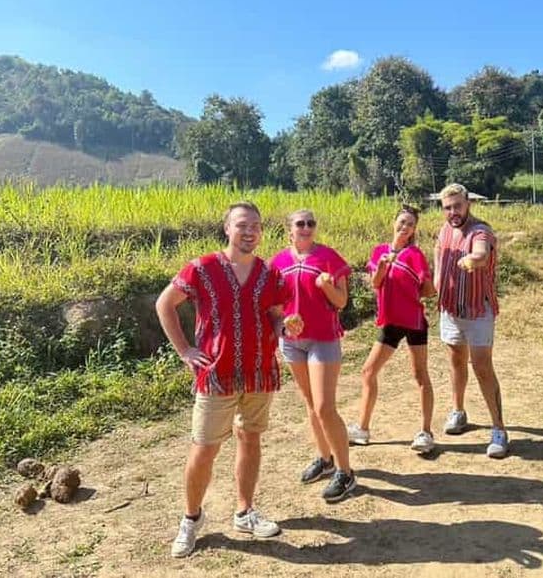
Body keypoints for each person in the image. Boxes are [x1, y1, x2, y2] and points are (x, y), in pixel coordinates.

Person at [156, 201, 302, 558]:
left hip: (258, 373)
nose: (249, 231)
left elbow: (274, 316)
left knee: (250, 439)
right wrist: (185, 350)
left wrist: (286, 326)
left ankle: (245, 511)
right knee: (204, 448)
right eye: (242, 225)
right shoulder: (202, 268)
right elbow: (165, 303)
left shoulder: (269, 275)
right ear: (227, 229)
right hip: (216, 375)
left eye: (255, 225)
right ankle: (191, 519)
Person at [269, 209, 357, 502]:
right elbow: (274, 306)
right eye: (300, 224)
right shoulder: (278, 263)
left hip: (323, 340)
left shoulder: (330, 257)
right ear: (289, 230)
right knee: (310, 404)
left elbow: (341, 302)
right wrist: (283, 323)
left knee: (324, 407)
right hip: (292, 342)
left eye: (311, 223)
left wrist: (327, 285)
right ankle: (325, 457)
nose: (306, 228)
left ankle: (345, 472)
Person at [347, 205, 438, 454]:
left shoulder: (415, 255)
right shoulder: (379, 252)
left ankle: (425, 432)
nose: (405, 227)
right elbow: (376, 284)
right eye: (402, 221)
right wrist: (382, 269)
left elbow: (429, 291)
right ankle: (362, 429)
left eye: (410, 224)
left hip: (414, 321)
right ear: (393, 222)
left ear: (414, 230)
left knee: (420, 374)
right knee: (368, 371)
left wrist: (426, 283)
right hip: (390, 322)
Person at [434, 183, 510, 458]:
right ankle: (458, 411)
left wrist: (472, 260)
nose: (453, 212)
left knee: (482, 366)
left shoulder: (480, 230)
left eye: (457, 205)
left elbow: (481, 253)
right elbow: (438, 253)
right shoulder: (445, 230)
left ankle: (499, 428)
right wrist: (435, 280)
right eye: (447, 207)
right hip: (451, 308)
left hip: (478, 309)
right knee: (455, 360)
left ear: (468, 203)